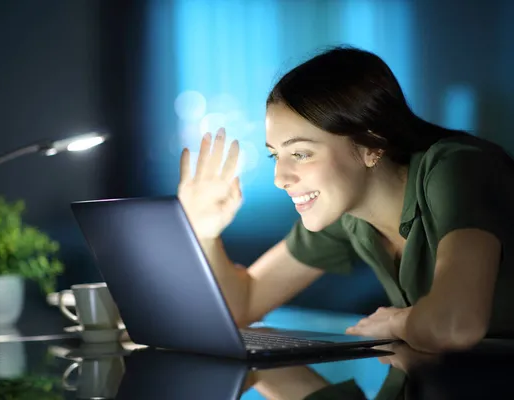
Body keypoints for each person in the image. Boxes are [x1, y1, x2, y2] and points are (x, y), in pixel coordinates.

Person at [177, 45, 514, 354]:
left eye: (301, 153)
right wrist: (206, 233)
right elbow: (243, 304)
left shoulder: (456, 168)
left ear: (372, 146)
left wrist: (396, 321)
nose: (280, 178)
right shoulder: (347, 214)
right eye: (274, 156)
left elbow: (455, 325)